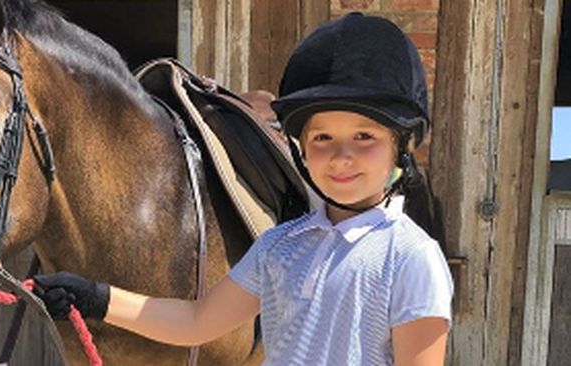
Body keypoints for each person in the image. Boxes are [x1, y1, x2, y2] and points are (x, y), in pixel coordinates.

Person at [33, 12, 454, 366]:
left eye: (364, 137)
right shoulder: (280, 246)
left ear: (402, 145)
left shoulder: (411, 258)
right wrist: (95, 297)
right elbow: (198, 321)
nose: (341, 157)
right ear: (301, 149)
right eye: (322, 139)